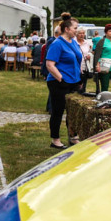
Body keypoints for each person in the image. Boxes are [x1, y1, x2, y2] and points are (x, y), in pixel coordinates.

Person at [45, 14, 82, 149]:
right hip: (58, 82)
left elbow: (76, 61)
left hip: (73, 81)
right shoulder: (57, 44)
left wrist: (79, 78)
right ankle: (55, 140)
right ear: (67, 29)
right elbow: (50, 64)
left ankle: (73, 137)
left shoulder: (74, 43)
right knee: (58, 111)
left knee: (73, 112)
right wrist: (61, 79)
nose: (76, 31)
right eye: (75, 28)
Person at [75, 24, 93, 91]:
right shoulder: (74, 43)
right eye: (80, 33)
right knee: (76, 87)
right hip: (76, 67)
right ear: (76, 34)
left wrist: (89, 55)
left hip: (85, 67)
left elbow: (90, 52)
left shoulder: (87, 43)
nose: (82, 35)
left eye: (83, 33)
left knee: (83, 87)